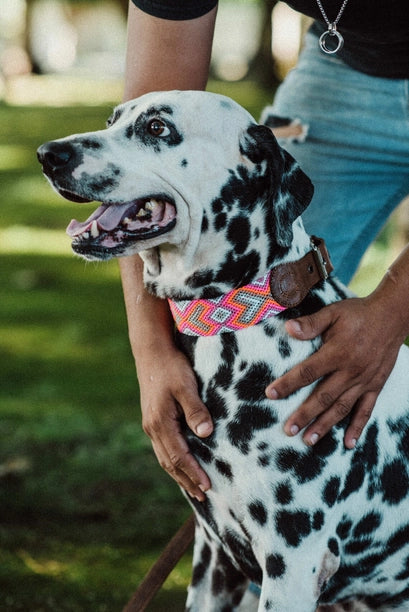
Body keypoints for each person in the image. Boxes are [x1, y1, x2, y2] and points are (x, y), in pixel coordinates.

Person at [120, 0, 409, 503]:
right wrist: (152, 351)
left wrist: (392, 309)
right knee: (259, 324)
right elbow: (141, 162)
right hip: (346, 71)